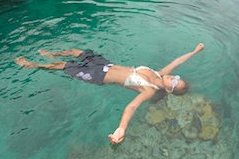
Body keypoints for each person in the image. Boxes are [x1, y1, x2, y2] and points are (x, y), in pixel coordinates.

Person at [15, 42, 205, 144]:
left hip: (98, 75)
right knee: (77, 52)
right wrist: (195, 51)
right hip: (106, 65)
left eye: (174, 82)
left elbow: (131, 107)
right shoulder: (160, 74)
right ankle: (52, 53)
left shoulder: (150, 90)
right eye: (176, 77)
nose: (173, 78)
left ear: (169, 90)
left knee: (63, 66)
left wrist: (121, 128)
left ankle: (33, 65)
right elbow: (177, 61)